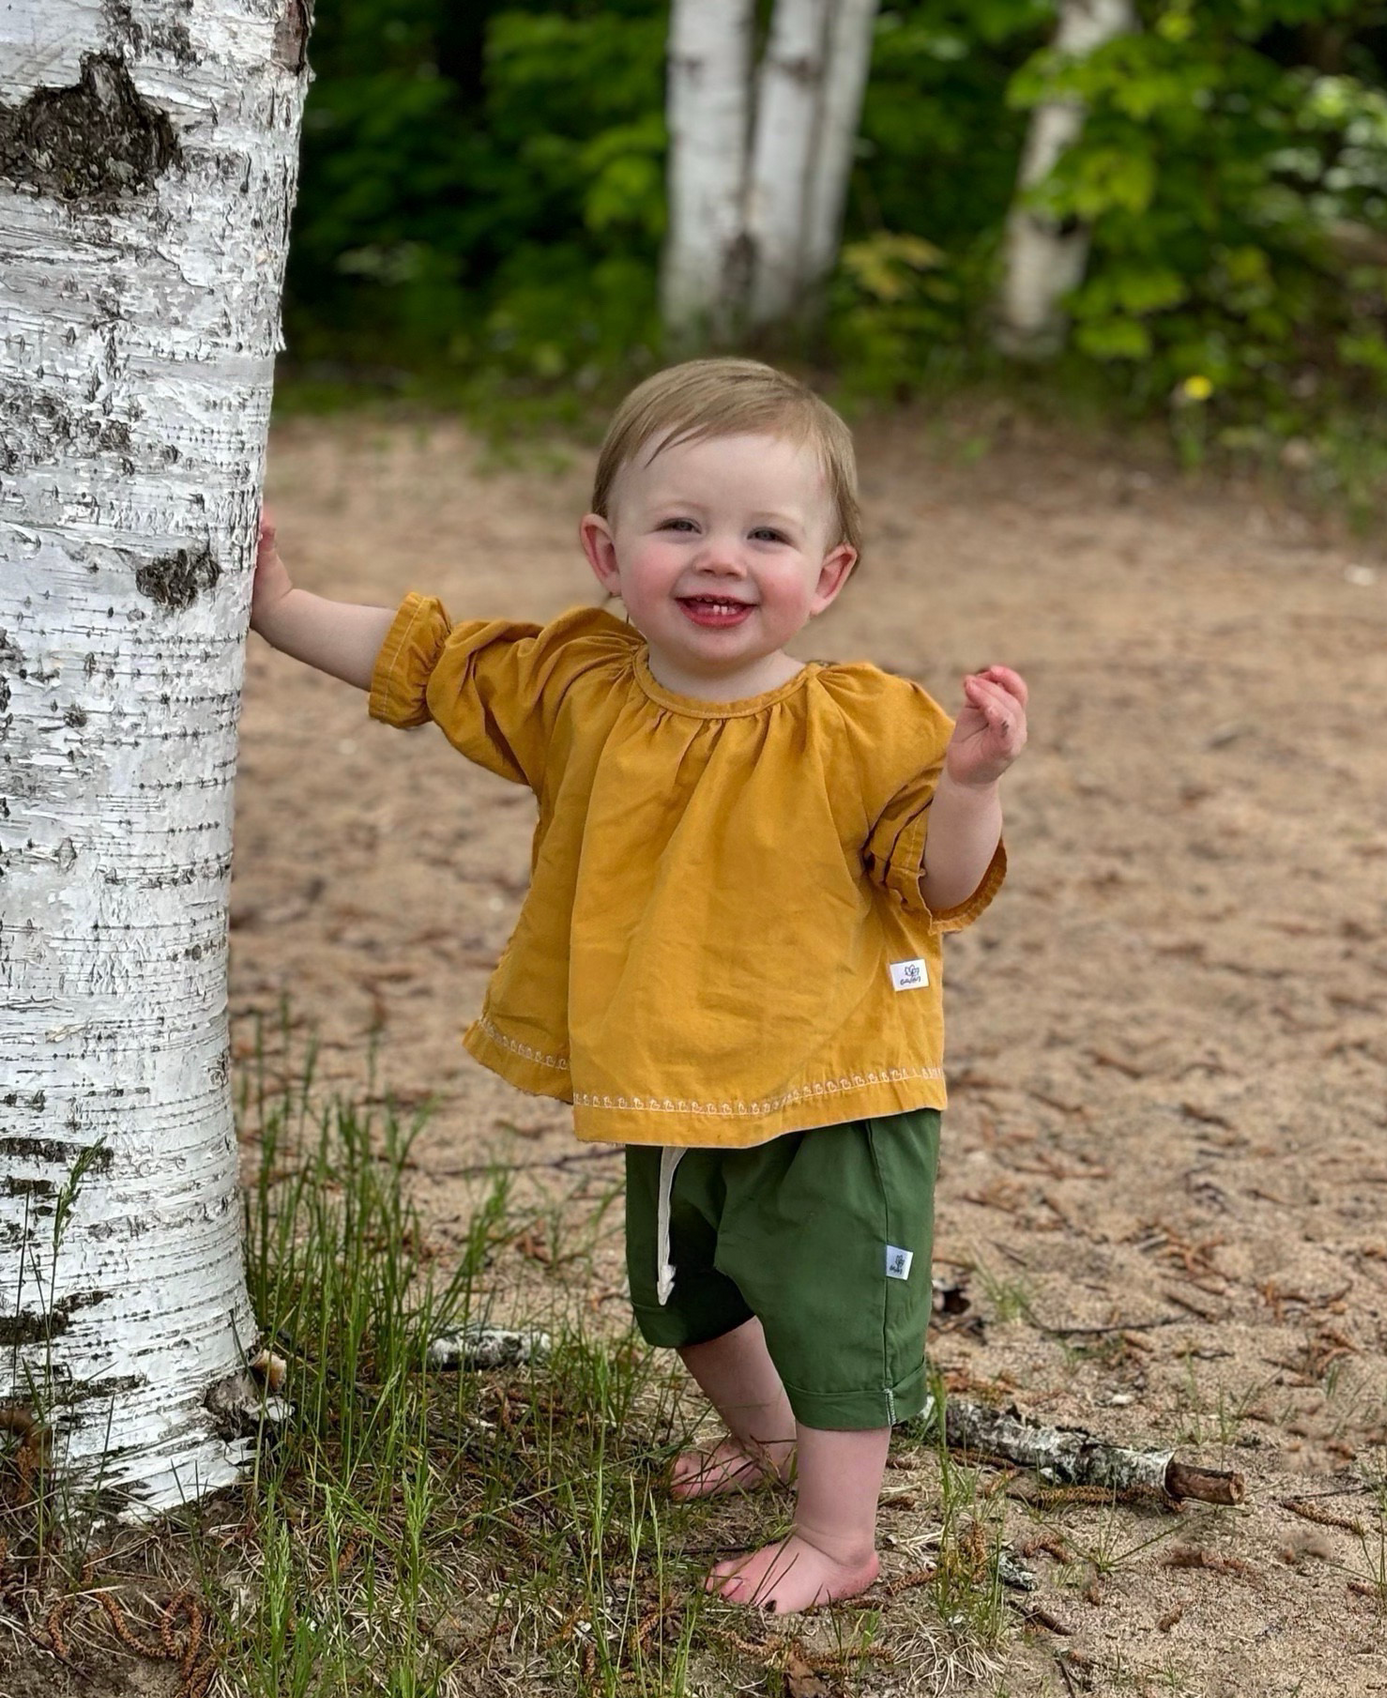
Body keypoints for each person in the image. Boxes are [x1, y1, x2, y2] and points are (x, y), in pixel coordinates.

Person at [249, 357, 1027, 1613]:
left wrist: (972, 786)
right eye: (682, 524)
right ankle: (771, 1444)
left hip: (835, 1083)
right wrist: (279, 603)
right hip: (666, 1069)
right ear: (607, 553)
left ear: (826, 577)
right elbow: (436, 661)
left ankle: (838, 1536)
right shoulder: (577, 683)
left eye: (765, 533)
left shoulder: (867, 725)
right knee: (684, 1291)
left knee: (836, 1318)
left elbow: (936, 886)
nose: (720, 556)